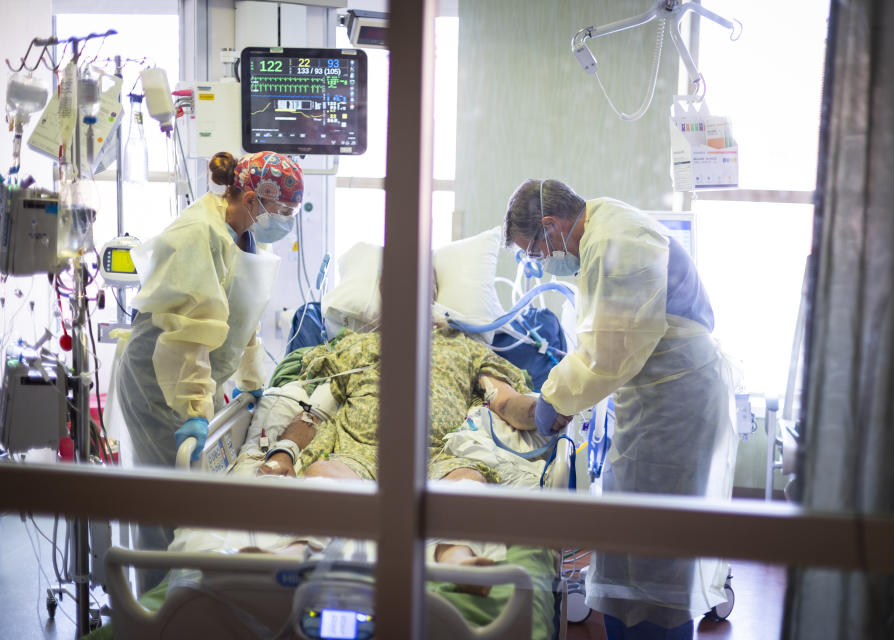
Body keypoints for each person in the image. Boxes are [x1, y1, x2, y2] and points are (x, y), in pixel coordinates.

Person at [503, 179, 738, 640]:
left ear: (551, 226)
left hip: (677, 404)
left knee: (658, 551)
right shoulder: (602, 229)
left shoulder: (617, 242)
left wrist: (552, 399)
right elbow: (604, 342)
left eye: (532, 252)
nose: (536, 265)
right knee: (634, 543)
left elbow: (606, 353)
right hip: (658, 397)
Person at [113, 150, 303, 586]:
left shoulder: (245, 236)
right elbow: (187, 336)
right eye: (282, 210)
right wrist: (198, 412)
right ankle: (160, 608)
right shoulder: (199, 233)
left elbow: (244, 321)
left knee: (187, 498)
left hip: (193, 371)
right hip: (159, 376)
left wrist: (252, 385)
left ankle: (184, 594)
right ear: (253, 198)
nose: (286, 221)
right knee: (166, 502)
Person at [257, 323, 537, 583]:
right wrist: (284, 451)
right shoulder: (359, 345)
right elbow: (314, 410)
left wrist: (542, 411)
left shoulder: (466, 348)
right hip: (361, 452)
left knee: (467, 480)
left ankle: (456, 558)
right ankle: (298, 550)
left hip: (436, 455)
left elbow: (506, 402)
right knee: (323, 473)